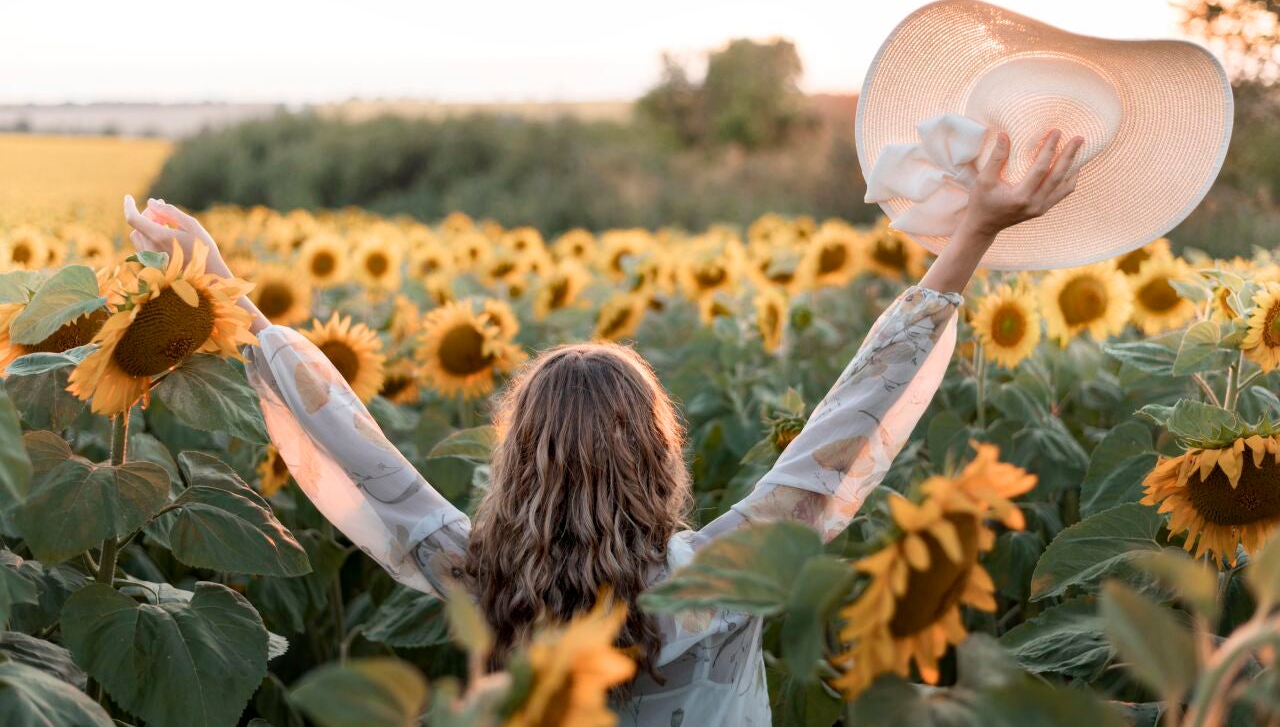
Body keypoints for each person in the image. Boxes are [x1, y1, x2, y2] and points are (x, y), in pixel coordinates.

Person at [124, 128, 1083, 727]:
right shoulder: (721, 578)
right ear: (662, 457)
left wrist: (231, 298)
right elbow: (849, 424)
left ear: (512, 466)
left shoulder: (472, 578)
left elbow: (362, 456)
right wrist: (972, 237)